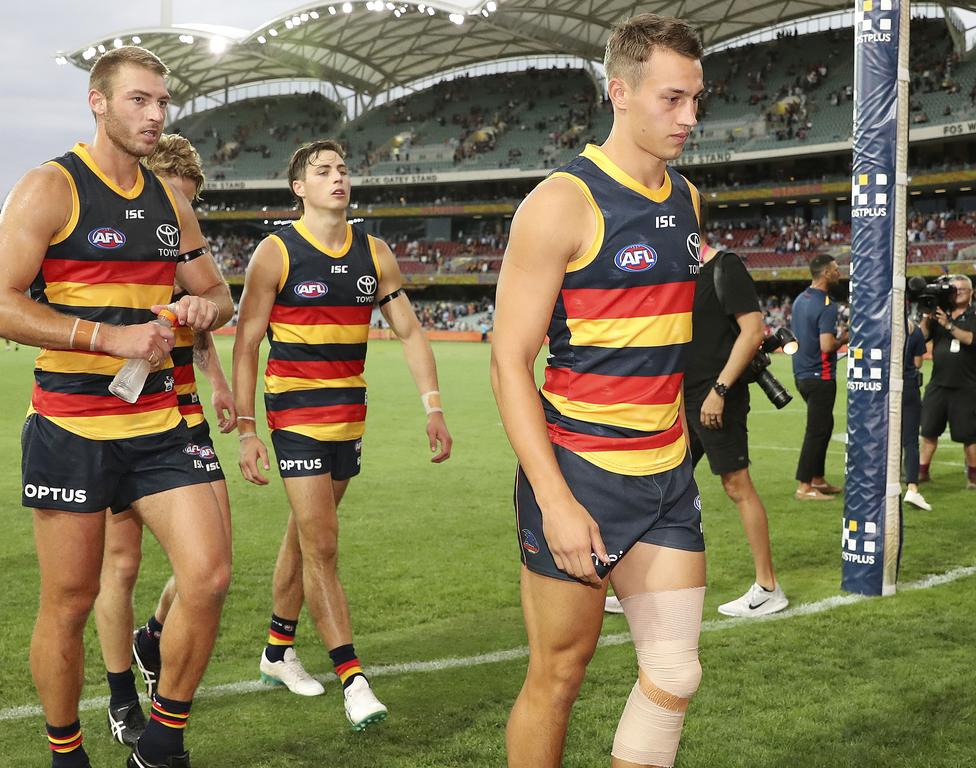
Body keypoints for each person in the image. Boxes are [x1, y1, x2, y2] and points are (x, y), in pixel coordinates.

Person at [0, 46, 233, 768]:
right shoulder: (49, 187)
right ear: (98, 102)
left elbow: (219, 295)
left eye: (161, 103)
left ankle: (162, 742)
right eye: (138, 101)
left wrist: (195, 308)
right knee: (71, 600)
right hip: (69, 429)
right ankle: (67, 753)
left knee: (208, 577)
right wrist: (105, 335)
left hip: (156, 427)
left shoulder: (169, 200)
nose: (154, 116)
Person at [491, 15, 706, 767]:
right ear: (620, 91)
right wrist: (555, 500)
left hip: (669, 474)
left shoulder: (688, 198)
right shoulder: (561, 202)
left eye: (695, 100)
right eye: (672, 99)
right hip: (583, 473)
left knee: (676, 674)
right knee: (557, 677)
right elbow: (508, 360)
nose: (689, 118)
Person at [232, 139, 452, 731]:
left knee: (304, 538)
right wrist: (248, 428)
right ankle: (353, 680)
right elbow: (248, 341)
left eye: (343, 169)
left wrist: (432, 406)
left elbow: (408, 332)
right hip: (294, 416)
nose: (338, 178)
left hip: (348, 416)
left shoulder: (375, 253)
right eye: (322, 171)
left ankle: (277, 652)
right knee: (323, 547)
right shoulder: (275, 253)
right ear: (298, 187)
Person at [92, 134, 237, 748]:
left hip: (184, 415)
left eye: (188, 210)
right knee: (121, 563)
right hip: (117, 414)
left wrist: (221, 380)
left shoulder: (181, 234)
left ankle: (153, 635)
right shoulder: (117, 231)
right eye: (174, 205)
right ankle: (122, 697)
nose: (179, 225)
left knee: (212, 562)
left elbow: (204, 310)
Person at [684, 238, 787, 617]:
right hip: (682, 397)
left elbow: (752, 331)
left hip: (715, 396)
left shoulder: (725, 266)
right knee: (662, 486)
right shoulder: (682, 271)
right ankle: (649, 587)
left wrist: (720, 390)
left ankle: (768, 587)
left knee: (736, 484)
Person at [790, 254, 848, 501]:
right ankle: (805, 485)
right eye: (836, 269)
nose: (839, 273)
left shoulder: (800, 299)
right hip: (820, 374)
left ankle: (817, 478)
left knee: (825, 427)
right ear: (826, 273)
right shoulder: (826, 304)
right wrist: (844, 338)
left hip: (802, 373)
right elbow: (827, 345)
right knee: (817, 429)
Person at [918, 274, 976, 490]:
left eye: (962, 289)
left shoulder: (973, 314)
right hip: (939, 383)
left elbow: (970, 339)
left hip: (967, 385)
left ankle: (973, 477)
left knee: (969, 436)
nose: (958, 292)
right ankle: (922, 472)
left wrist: (948, 325)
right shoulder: (941, 311)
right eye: (955, 289)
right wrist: (926, 315)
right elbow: (922, 336)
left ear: (972, 293)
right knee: (929, 431)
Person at [902, 317, 931, 510]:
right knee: (910, 441)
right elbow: (918, 363)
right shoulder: (915, 330)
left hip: (881, 389)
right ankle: (912, 488)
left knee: (883, 438)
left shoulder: (879, 325)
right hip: (908, 387)